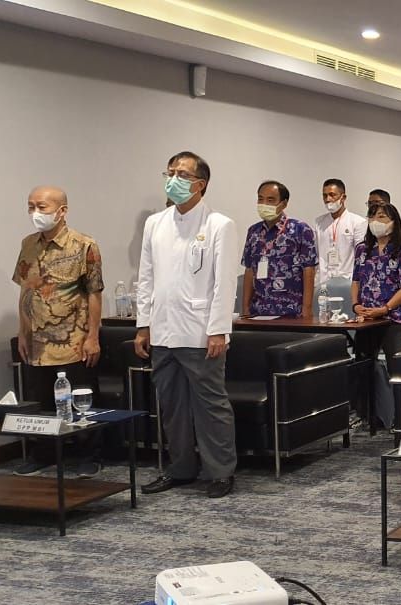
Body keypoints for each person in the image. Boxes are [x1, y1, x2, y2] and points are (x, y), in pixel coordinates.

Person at [137, 151, 239, 498]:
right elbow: (146, 277)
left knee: (211, 405)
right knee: (172, 405)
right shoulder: (155, 223)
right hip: (162, 329)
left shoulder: (219, 224)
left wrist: (219, 329)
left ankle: (220, 471)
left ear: (200, 184)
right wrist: (143, 324)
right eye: (170, 173)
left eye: (182, 174)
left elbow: (224, 282)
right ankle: (180, 468)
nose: (173, 180)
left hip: (200, 331)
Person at [12, 186, 105, 478]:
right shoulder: (28, 244)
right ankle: (43, 453)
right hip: (37, 341)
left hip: (73, 339)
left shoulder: (84, 245)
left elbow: (94, 293)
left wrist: (93, 337)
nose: (35, 213)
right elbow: (26, 290)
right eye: (31, 207)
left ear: (62, 211)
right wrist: (23, 332)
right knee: (40, 401)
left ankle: (89, 456)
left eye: (41, 207)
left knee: (82, 400)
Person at [352, 202, 401, 430]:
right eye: (372, 217)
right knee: (362, 367)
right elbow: (356, 280)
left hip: (393, 318)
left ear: (393, 222)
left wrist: (386, 308)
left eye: (381, 217)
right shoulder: (363, 249)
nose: (376, 222)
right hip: (367, 319)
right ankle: (367, 417)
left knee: (396, 369)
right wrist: (356, 305)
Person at [240, 180, 317, 319]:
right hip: (259, 310)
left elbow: (309, 270)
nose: (264, 204)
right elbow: (249, 270)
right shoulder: (253, 231)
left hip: (292, 309)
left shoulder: (300, 229)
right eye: (260, 199)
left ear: (284, 203)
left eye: (270, 200)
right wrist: (245, 308)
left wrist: (307, 309)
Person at [314, 178, 368, 283]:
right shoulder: (319, 222)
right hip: (323, 282)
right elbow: (315, 254)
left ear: (343, 197)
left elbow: (361, 256)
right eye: (325, 195)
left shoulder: (358, 222)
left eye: (332, 195)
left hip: (348, 281)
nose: (328, 199)